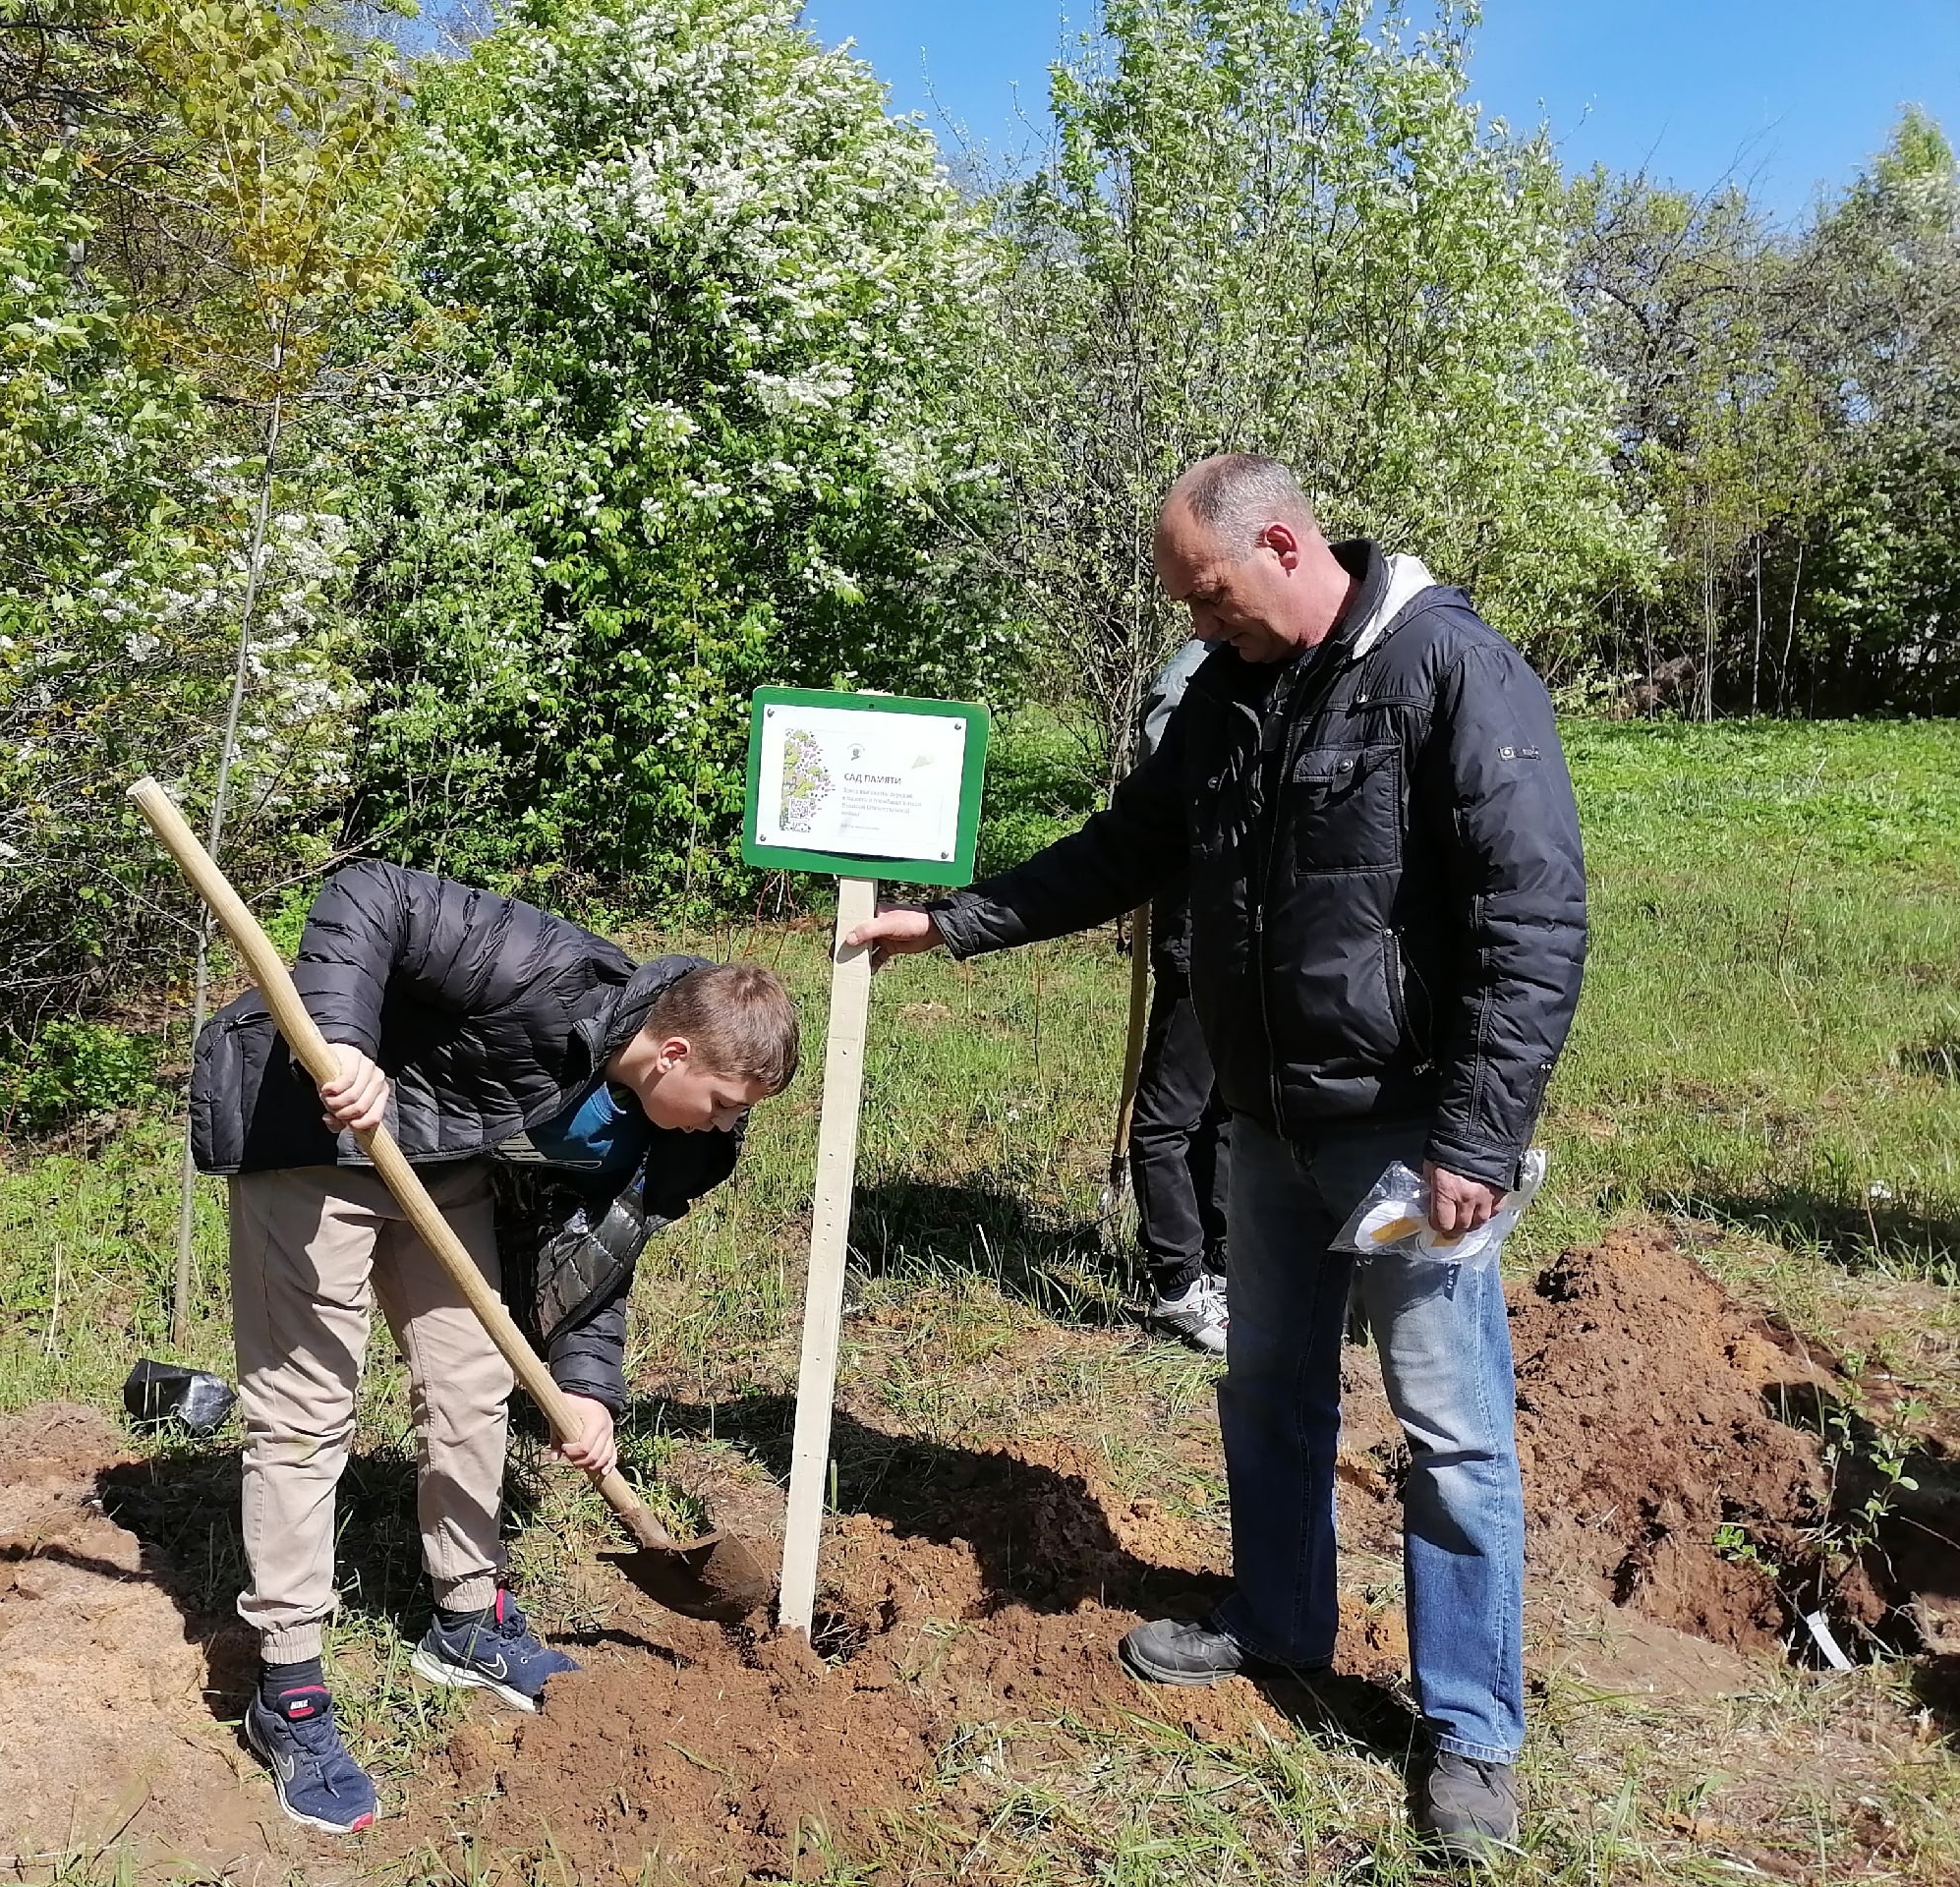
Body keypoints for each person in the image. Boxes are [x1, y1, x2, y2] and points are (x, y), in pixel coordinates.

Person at [847, 455, 1585, 1861]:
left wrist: (1478, 1136)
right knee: (1268, 1392)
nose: (1199, 625)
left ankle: (1472, 1733)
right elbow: (1131, 845)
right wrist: (954, 923)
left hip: (1406, 1136)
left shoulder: (1449, 671)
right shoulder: (1231, 693)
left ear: (1285, 545)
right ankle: (1282, 1618)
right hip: (1269, 1127)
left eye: (1209, 595)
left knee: (1451, 1442)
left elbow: (1532, 916)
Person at [192, 860, 798, 1834]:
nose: (729, 1122)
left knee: (473, 1380)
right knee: (309, 1410)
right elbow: (368, 895)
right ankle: (289, 1687)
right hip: (311, 1130)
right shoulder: (539, 971)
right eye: (725, 1098)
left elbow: (605, 1243)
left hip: (440, 1162)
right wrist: (344, 1046)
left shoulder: (676, 1135)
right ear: (674, 1052)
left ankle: (465, 1620)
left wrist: (587, 1386)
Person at [1125, 640, 1232, 1354]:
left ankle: (1219, 1265)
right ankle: (1177, 1286)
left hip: (1247, 949)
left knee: (1223, 1111)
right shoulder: (1195, 672)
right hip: (1200, 939)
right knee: (1168, 1119)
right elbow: (1169, 791)